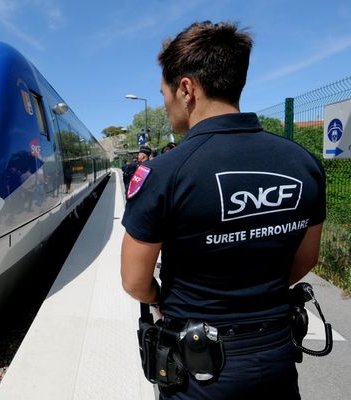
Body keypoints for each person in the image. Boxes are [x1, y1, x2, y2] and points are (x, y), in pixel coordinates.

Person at [121, 21, 325, 399]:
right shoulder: (303, 163)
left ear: (186, 89)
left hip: (200, 373)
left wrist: (162, 300)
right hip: (277, 355)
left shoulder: (163, 173)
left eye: (163, 92)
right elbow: (305, 260)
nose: (165, 103)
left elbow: (135, 281)